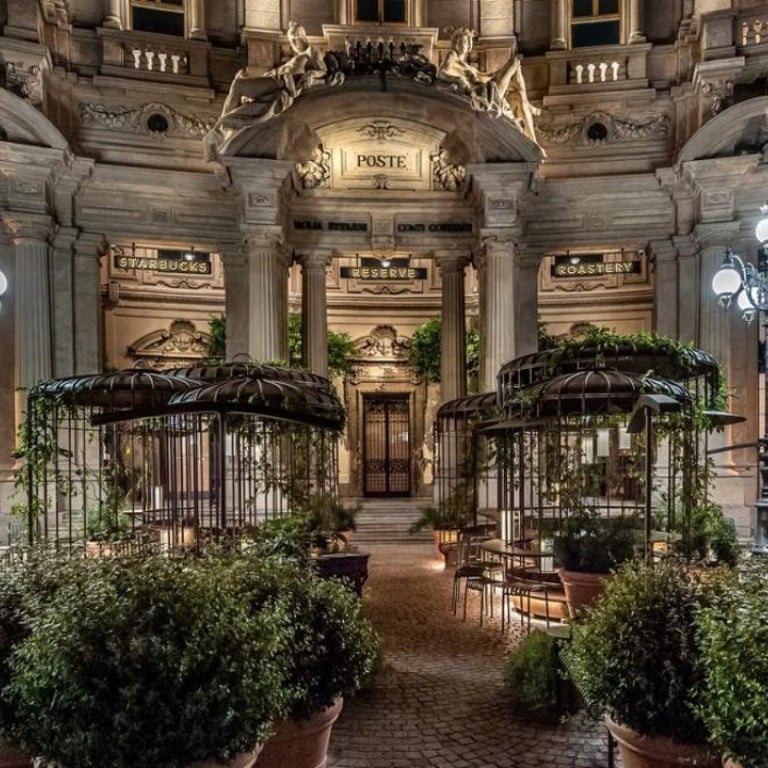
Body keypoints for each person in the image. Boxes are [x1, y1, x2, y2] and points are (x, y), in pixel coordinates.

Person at [437, 28, 542, 148]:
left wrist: (497, 73)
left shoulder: (467, 66)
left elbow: (484, 77)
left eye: (466, 42)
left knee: (518, 85)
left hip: (486, 88)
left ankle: (533, 139)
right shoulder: (452, 56)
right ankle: (529, 109)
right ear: (455, 44)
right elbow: (442, 73)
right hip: (483, 93)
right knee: (514, 64)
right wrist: (458, 80)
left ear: (469, 46)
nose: (463, 45)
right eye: (460, 41)